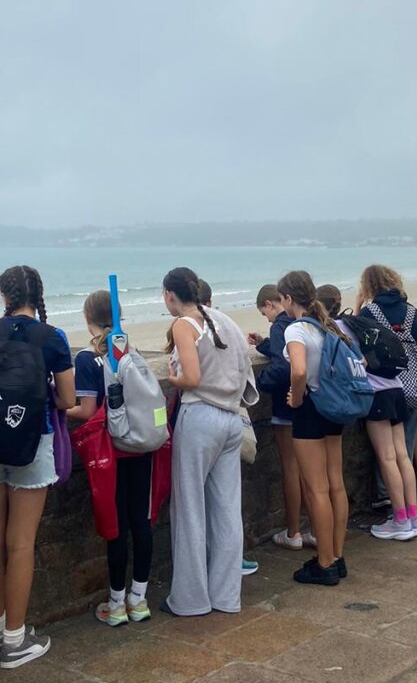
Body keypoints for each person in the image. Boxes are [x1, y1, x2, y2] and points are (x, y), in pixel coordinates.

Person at [0, 266, 76, 669]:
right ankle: (15, 639)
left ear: (3, 295)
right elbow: (67, 399)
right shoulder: (53, 337)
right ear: (38, 295)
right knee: (21, 543)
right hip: (31, 444)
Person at [163, 268, 255, 615]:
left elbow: (191, 377)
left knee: (188, 508)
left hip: (200, 417)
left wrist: (172, 377)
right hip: (231, 419)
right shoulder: (224, 320)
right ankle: (226, 596)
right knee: (227, 510)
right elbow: (245, 372)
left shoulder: (183, 324)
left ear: (170, 295)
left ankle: (190, 600)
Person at [68, 291, 155, 626]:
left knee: (116, 525)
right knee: (141, 521)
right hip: (141, 443)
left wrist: (58, 406)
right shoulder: (128, 351)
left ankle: (116, 604)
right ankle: (140, 599)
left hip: (110, 451)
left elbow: (86, 410)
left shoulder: (86, 359)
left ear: (87, 318)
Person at [278, 270, 350, 585]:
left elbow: (299, 370)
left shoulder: (296, 329)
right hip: (333, 406)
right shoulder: (327, 325)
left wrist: (296, 398)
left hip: (310, 409)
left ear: (288, 298)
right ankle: (337, 555)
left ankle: (324, 563)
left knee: (316, 488)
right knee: (336, 484)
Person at [354, 266, 417, 541]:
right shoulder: (410, 311)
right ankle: (413, 516)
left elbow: (355, 343)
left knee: (387, 458)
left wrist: (357, 307)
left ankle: (399, 519)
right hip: (403, 387)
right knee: (403, 456)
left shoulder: (370, 313)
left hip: (379, 389)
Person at [249, 284, 315, 551]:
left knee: (291, 469)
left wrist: (259, 381)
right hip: (310, 404)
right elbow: (288, 353)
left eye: (264, 312)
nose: (266, 319)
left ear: (270, 304)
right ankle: (318, 529)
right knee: (313, 471)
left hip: (287, 407)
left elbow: (282, 367)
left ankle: (294, 532)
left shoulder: (280, 326)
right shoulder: (303, 322)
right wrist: (263, 344)